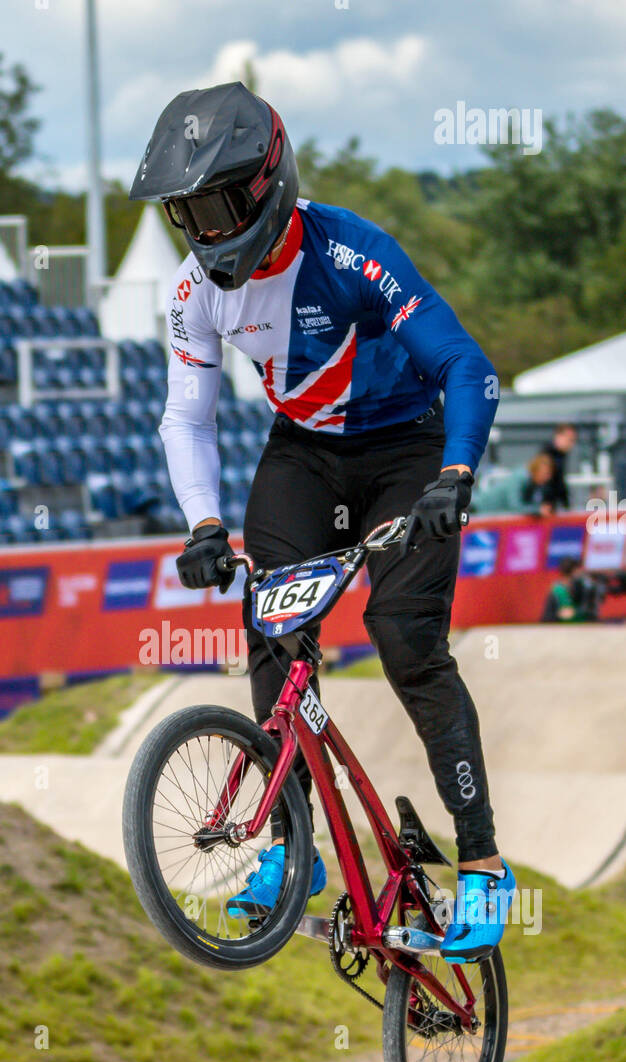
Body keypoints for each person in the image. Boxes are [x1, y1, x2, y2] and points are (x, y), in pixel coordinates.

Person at [130, 81, 515, 963]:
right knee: (272, 624)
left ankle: (486, 863)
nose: (206, 229)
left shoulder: (353, 251)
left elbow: (468, 366)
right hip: (305, 453)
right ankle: (292, 846)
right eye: (186, 212)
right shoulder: (195, 291)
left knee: (403, 636)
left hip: (410, 451)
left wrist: (456, 473)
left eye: (221, 205)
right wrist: (202, 524)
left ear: (269, 184)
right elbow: (187, 417)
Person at [541, 557, 605, 622]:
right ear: (575, 572)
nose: (581, 573)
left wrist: (576, 612)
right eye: (579, 571)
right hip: (562, 629)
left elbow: (593, 613)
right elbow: (546, 618)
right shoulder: (556, 591)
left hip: (584, 628)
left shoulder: (586, 588)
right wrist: (559, 615)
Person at [542, 422, 576, 511]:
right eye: (570, 440)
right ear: (559, 436)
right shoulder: (547, 456)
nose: (571, 444)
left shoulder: (561, 456)